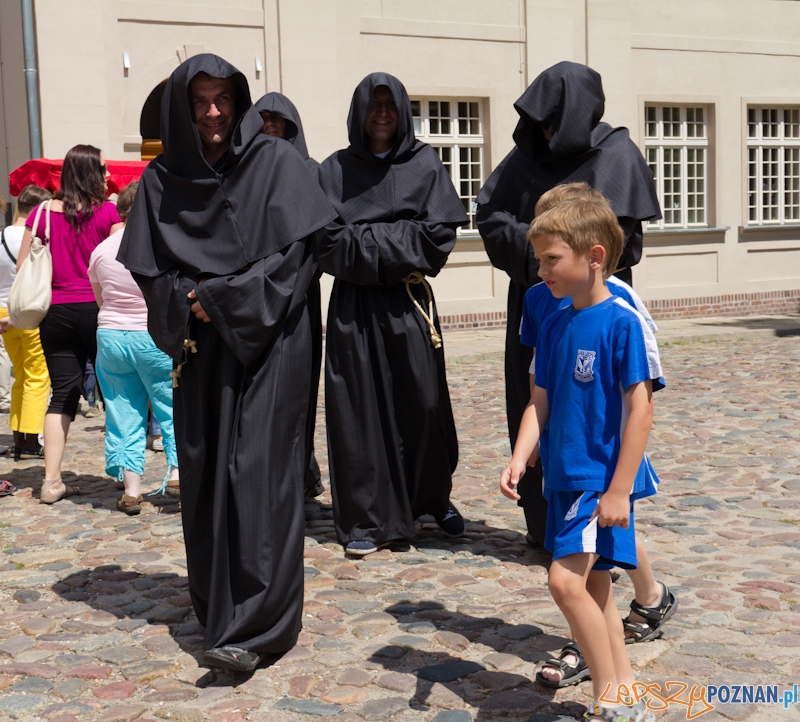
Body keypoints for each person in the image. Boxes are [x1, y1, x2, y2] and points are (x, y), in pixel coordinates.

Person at [118, 54, 335, 672]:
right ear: (182, 112)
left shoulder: (276, 164)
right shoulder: (162, 180)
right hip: (199, 346)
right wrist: (190, 304)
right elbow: (145, 265)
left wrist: (226, 299)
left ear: (239, 102)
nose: (213, 113)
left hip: (270, 344)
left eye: (222, 100)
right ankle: (219, 607)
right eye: (200, 102)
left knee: (260, 473)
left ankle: (260, 626)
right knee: (210, 471)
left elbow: (297, 257)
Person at [477, 61, 661, 547]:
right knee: (535, 397)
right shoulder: (524, 159)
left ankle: (605, 525)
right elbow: (490, 216)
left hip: (594, 308)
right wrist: (538, 252)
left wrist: (571, 252)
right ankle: (546, 525)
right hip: (537, 300)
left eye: (554, 119)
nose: (545, 131)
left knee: (596, 413)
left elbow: (629, 242)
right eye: (539, 120)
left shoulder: (615, 152)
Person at [500, 197, 659, 722]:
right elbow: (539, 400)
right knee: (596, 590)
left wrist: (619, 490)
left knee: (564, 583)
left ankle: (610, 699)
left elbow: (640, 408)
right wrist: (521, 457)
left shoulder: (621, 322)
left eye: (550, 260)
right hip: (562, 478)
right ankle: (627, 690)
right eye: (540, 260)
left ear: (593, 256)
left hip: (597, 480)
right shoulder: (552, 322)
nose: (540, 270)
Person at [315, 73, 469, 557]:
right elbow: (324, 242)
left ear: (402, 111)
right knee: (357, 410)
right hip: (353, 307)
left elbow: (437, 238)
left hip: (408, 302)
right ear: (358, 112)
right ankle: (365, 519)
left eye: (389, 105)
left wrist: (367, 239)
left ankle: (428, 498)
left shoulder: (425, 163)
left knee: (422, 403)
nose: (381, 114)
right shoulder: (333, 170)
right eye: (372, 105)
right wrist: (398, 237)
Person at [17, 146, 123, 504]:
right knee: (115, 392)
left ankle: (50, 482)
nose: (109, 175)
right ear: (92, 172)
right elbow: (121, 264)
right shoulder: (108, 213)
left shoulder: (42, 212)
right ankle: (127, 474)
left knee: (61, 393)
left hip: (55, 311)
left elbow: (23, 268)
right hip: (97, 310)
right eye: (104, 169)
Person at [88, 181, 179, 514]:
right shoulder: (161, 246)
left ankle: (131, 489)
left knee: (122, 413)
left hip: (111, 335)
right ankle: (178, 472)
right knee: (172, 408)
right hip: (153, 335)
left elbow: (101, 298)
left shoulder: (101, 249)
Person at [255, 91, 324, 500]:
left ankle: (300, 472)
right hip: (252, 296)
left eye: (277, 120)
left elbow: (317, 240)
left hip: (297, 299)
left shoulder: (309, 172)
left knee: (299, 394)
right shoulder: (246, 172)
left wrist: (290, 290)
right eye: (262, 119)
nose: (269, 126)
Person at [0, 185, 53, 462]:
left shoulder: (0, 236)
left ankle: (19, 438)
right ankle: (32, 440)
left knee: (20, 376)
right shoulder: (35, 235)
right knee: (37, 376)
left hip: (3, 313)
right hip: (29, 311)